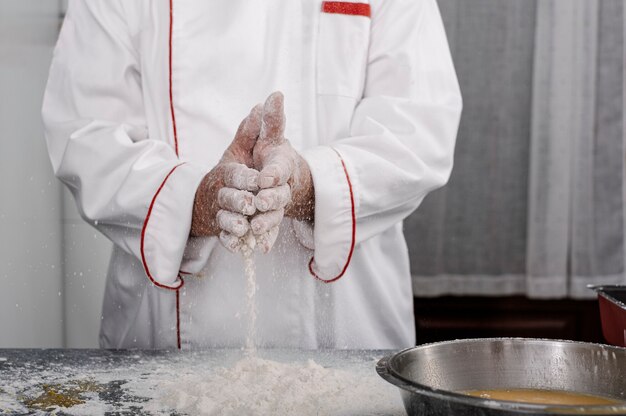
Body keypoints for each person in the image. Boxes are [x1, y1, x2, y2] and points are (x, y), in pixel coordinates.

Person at [42, 0, 462, 349]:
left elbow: (419, 131)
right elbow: (84, 134)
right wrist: (194, 201)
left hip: (346, 330)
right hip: (163, 338)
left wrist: (310, 184)